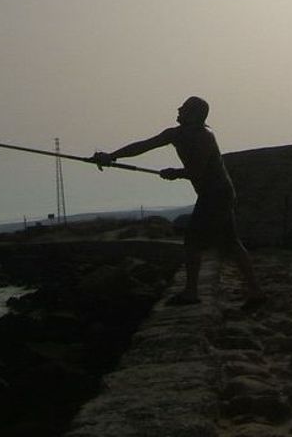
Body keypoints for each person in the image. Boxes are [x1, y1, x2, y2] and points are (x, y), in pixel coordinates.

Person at [91, 96, 265, 308]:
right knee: (230, 242)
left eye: (184, 108)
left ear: (194, 114)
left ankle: (191, 293)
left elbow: (198, 170)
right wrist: (112, 156)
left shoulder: (204, 137)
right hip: (213, 193)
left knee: (194, 242)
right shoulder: (174, 134)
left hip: (217, 193)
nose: (179, 109)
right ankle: (255, 292)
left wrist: (176, 173)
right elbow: (143, 146)